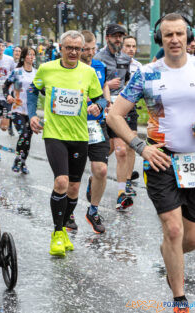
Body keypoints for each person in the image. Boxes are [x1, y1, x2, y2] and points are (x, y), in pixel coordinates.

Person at [107, 13, 195, 313]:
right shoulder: (147, 74)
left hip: (194, 161)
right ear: (160, 39)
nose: (174, 40)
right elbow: (114, 115)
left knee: (190, 237)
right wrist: (141, 147)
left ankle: (170, 252)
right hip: (160, 159)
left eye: (179, 34)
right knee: (173, 230)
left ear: (188, 37)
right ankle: (180, 299)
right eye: (168, 34)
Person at [27, 30, 106, 256]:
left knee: (73, 188)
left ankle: (63, 229)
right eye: (68, 47)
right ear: (60, 48)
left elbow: (100, 97)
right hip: (54, 134)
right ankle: (57, 232)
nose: (73, 52)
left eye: (77, 48)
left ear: (82, 50)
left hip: (80, 136)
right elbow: (33, 89)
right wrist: (32, 114)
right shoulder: (47, 69)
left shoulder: (89, 72)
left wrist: (97, 106)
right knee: (61, 182)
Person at [66, 30, 109, 234]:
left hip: (96, 126)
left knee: (100, 170)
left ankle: (93, 210)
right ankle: (69, 210)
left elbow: (104, 89)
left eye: (93, 49)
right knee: (71, 176)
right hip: (73, 127)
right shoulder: (70, 68)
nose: (91, 53)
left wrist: (102, 105)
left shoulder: (100, 66)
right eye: (86, 50)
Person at [94, 23, 135, 211]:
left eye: (121, 36)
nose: (118, 39)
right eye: (115, 36)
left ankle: (121, 194)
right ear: (107, 37)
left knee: (121, 150)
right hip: (103, 109)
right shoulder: (98, 59)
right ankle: (95, 175)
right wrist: (108, 85)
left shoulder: (125, 59)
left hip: (118, 111)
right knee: (109, 148)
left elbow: (127, 83)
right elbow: (94, 87)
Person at [3, 46, 37, 174]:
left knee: (28, 138)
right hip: (17, 109)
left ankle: (23, 162)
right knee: (24, 134)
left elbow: (42, 90)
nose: (31, 57)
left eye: (33, 54)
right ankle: (18, 160)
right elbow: (6, 86)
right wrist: (8, 96)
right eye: (29, 54)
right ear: (23, 56)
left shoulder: (37, 72)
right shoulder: (17, 72)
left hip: (31, 111)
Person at [121, 35, 143, 197]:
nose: (131, 49)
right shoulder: (115, 64)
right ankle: (97, 172)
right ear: (122, 47)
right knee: (115, 148)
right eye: (127, 46)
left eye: (133, 46)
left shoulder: (139, 67)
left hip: (132, 110)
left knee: (131, 145)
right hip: (114, 109)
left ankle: (127, 182)